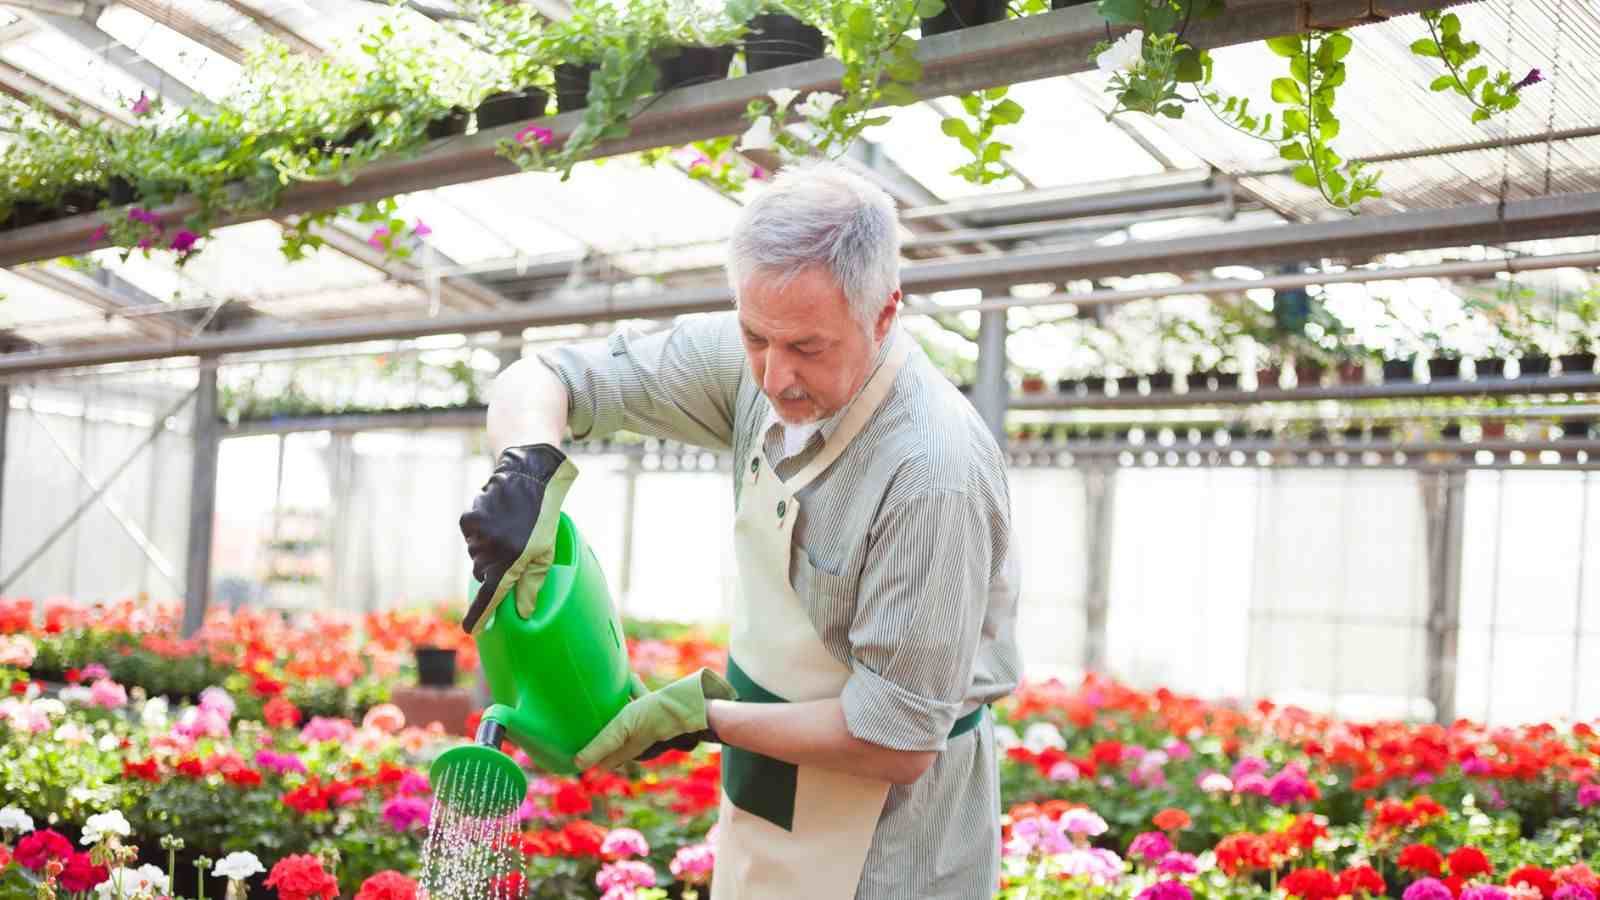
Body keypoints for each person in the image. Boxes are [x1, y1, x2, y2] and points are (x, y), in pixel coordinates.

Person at [458, 160, 1022, 899]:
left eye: (808, 349)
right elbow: (545, 376)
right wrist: (526, 464)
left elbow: (898, 741)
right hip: (769, 782)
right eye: (757, 337)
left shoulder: (929, 471)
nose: (774, 376)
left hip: (891, 833)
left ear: (885, 314)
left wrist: (703, 717)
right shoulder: (752, 354)